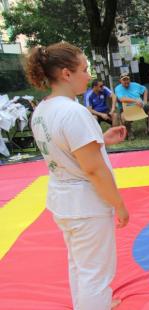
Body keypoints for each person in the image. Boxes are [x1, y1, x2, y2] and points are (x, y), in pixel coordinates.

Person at [26, 42, 129, 309]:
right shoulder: (74, 112)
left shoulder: (42, 110)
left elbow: (66, 149)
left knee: (80, 265)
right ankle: (96, 302)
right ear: (66, 74)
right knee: (96, 272)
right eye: (84, 69)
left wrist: (101, 140)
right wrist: (118, 204)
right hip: (87, 205)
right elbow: (93, 169)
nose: (89, 75)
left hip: (64, 201)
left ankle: (94, 302)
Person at [114, 73, 149, 139]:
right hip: (126, 109)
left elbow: (145, 89)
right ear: (120, 81)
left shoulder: (135, 85)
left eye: (127, 79)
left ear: (130, 80)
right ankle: (129, 132)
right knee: (124, 117)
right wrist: (135, 101)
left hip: (140, 106)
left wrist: (145, 102)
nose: (126, 81)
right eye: (124, 80)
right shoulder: (118, 88)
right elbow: (121, 99)